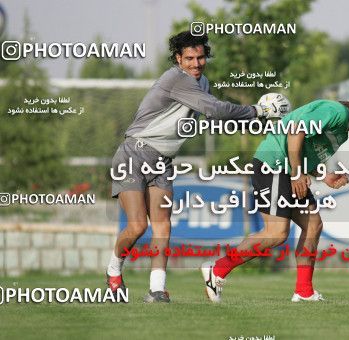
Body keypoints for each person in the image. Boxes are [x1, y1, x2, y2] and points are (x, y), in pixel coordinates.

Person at [106, 30, 279, 303]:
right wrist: (257, 111)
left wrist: (258, 120)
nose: (196, 63)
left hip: (163, 160)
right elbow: (217, 110)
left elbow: (216, 117)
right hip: (134, 154)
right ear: (178, 59)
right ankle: (114, 271)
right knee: (138, 226)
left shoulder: (203, 83)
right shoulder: (176, 79)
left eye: (200, 57)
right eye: (189, 58)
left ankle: (157, 290)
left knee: (163, 226)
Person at [201, 93, 349, 302]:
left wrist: (324, 175)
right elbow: (295, 131)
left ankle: (304, 290)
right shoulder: (336, 112)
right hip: (273, 164)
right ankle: (217, 268)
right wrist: (297, 173)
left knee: (313, 226)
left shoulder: (342, 131)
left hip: (289, 170)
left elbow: (305, 151)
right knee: (276, 233)